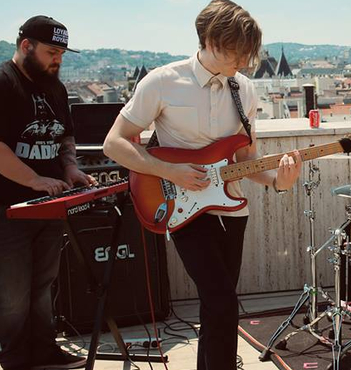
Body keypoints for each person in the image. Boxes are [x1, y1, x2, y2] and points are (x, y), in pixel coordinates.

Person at [102, 1, 302, 368]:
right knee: (223, 300)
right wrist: (168, 171)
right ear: (211, 41)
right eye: (237, 53)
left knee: (215, 306)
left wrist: (278, 181)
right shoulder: (162, 81)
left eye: (247, 54)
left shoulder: (244, 89)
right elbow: (114, 142)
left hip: (233, 209)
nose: (243, 62)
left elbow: (245, 161)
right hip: (184, 208)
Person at [0, 15, 93, 370]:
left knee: (43, 286)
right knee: (11, 294)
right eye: (51, 51)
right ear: (25, 46)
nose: (57, 59)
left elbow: (66, 135)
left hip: (47, 206)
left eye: (61, 52)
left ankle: (45, 351)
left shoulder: (55, 87)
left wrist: (70, 168)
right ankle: (15, 359)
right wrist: (35, 180)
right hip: (4, 208)